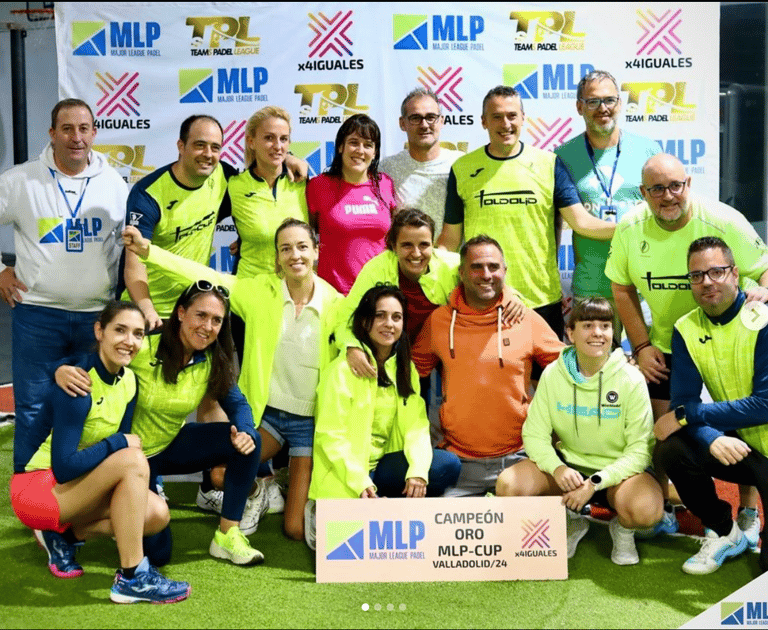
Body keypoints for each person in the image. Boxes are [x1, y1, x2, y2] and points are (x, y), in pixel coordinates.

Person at [123, 219, 342, 542]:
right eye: (285, 249)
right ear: (277, 257)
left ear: (316, 251)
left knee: (295, 529)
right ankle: (260, 490)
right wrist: (149, 251)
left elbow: (356, 338)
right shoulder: (258, 293)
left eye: (302, 247)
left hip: (308, 424)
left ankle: (290, 483)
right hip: (267, 418)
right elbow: (201, 275)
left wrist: (354, 349)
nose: (294, 255)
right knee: (219, 476)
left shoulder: (336, 304)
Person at [605, 152, 768, 533]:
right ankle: (663, 506)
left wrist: (764, 294)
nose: (668, 195)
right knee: (666, 432)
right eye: (657, 189)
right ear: (643, 192)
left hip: (732, 334)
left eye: (675, 186)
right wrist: (641, 346)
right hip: (670, 341)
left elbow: (763, 269)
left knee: (742, 420)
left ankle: (748, 510)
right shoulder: (629, 228)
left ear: (688, 184)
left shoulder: (726, 221)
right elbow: (621, 287)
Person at [56, 282, 264, 566]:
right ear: (181, 313)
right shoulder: (144, 346)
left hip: (171, 445)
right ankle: (73, 531)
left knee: (249, 441)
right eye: (200, 315)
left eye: (216, 320)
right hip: (129, 457)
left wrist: (246, 430)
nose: (207, 326)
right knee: (159, 554)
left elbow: (237, 404)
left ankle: (228, 535)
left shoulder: (211, 358)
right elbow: (94, 358)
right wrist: (61, 369)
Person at [11, 301, 190, 604]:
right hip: (35, 489)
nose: (129, 341)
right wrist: (118, 442)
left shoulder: (129, 381)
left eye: (137, 334)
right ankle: (133, 577)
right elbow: (65, 466)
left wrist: (119, 448)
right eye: (120, 330)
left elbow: (114, 460)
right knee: (132, 457)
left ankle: (64, 536)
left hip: (74, 486)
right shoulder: (78, 384)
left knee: (156, 514)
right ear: (99, 331)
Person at [1, 99, 128, 475]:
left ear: (94, 133)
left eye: (84, 129)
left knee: (95, 408)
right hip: (38, 315)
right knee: (34, 408)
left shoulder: (114, 184)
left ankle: (87, 492)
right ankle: (29, 493)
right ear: (52, 133)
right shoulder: (21, 180)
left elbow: (132, 245)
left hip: (97, 318)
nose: (77, 138)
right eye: (68, 129)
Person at [438, 85, 615, 339]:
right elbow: (450, 240)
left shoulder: (549, 164)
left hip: (541, 300)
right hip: (484, 299)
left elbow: (582, 222)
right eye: (497, 117)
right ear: (484, 121)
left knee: (548, 368)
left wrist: (632, 228)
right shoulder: (463, 168)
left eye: (512, 115)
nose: (506, 124)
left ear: (523, 119)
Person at [496, 297, 663, 565]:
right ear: (571, 333)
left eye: (605, 326)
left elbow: (640, 450)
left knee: (646, 510)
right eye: (587, 326)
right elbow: (534, 435)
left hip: (617, 476)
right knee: (509, 485)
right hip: (568, 470)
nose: (597, 333)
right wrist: (558, 469)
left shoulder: (631, 379)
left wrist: (595, 482)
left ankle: (622, 530)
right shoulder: (553, 374)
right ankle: (570, 518)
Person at [306, 285, 462, 548]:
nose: (389, 324)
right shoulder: (341, 370)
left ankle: (386, 505)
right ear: (365, 321)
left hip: (382, 468)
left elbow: (416, 427)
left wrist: (417, 472)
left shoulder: (404, 368)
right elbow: (329, 436)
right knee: (345, 551)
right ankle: (328, 508)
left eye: (396, 317)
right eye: (380, 316)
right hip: (346, 474)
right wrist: (359, 481)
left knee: (446, 466)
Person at [412, 235, 563, 496]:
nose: (486, 275)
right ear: (461, 273)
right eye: (477, 267)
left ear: (505, 271)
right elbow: (410, 373)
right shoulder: (439, 321)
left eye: (494, 267)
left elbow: (572, 369)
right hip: (459, 464)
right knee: (440, 522)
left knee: (522, 506)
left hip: (520, 458)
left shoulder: (524, 319)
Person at [654, 236, 768, 575]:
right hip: (742, 447)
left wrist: (689, 416)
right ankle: (725, 531)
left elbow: (765, 405)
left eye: (716, 272)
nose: (706, 282)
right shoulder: (686, 328)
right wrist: (710, 437)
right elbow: (682, 400)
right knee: (671, 449)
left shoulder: (763, 317)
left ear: (735, 274)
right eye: (697, 275)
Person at [554, 70, 661, 338]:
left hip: (643, 286)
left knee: (649, 361)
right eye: (593, 101)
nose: (603, 108)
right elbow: (569, 222)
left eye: (610, 100)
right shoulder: (562, 156)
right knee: (594, 363)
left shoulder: (649, 150)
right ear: (579, 107)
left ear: (620, 104)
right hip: (592, 287)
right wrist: (631, 227)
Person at [120, 114, 236, 330]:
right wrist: (147, 310)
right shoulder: (149, 193)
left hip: (193, 309)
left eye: (215, 147)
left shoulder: (224, 175)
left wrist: (288, 159)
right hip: (150, 311)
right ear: (181, 146)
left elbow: (257, 195)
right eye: (200, 145)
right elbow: (134, 263)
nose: (208, 154)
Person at [306, 114, 397, 295]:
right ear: (341, 146)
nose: (360, 150)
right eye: (354, 143)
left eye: (368, 145)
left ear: (375, 152)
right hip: (334, 295)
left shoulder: (385, 184)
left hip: (379, 292)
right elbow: (305, 234)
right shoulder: (319, 186)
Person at [380, 88, 463, 236]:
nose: (424, 125)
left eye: (431, 117)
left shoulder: (461, 164)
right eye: (415, 118)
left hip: (453, 252)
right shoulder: (386, 169)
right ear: (402, 123)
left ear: (441, 121)